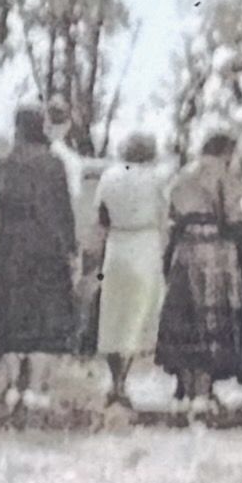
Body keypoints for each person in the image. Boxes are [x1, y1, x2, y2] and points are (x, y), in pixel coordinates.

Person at [0, 102, 82, 425]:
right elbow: (62, 212)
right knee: (45, 317)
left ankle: (12, 386)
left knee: (10, 315)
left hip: (11, 246)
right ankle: (36, 389)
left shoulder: (4, 164)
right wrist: (70, 249)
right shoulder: (53, 165)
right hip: (46, 248)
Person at [158, 124, 242, 410]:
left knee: (185, 317)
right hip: (213, 251)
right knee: (209, 317)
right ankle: (202, 391)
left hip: (183, 249)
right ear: (227, 151)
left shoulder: (181, 175)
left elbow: (170, 214)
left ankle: (185, 391)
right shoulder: (224, 175)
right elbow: (234, 217)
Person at [87, 123, 169, 404]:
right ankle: (123, 380)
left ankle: (114, 381)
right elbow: (164, 215)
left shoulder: (109, 176)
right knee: (136, 314)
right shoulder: (157, 178)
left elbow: (101, 217)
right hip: (145, 243)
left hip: (118, 244)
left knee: (114, 313)